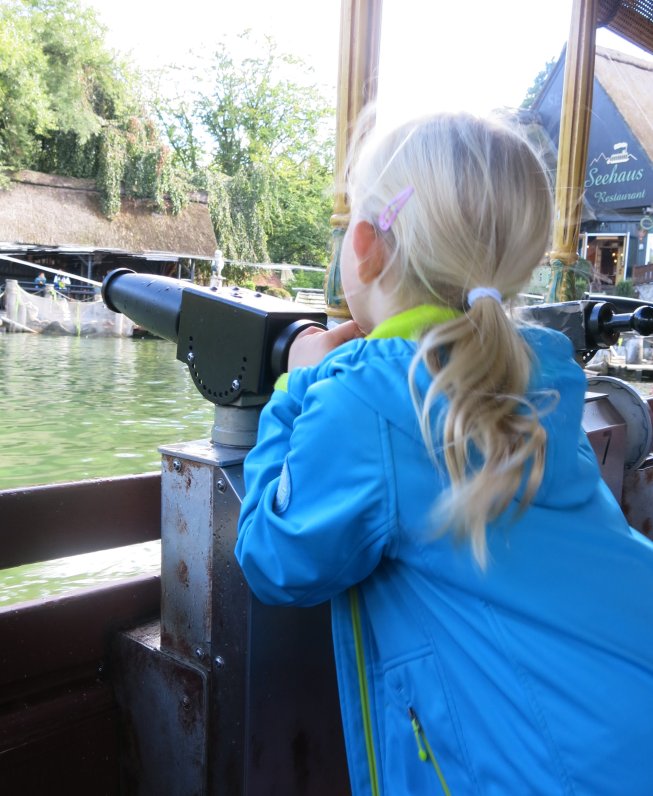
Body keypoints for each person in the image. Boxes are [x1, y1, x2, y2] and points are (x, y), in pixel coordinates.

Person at [235, 112, 653, 794]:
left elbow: (276, 559)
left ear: (365, 245)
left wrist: (300, 382)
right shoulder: (538, 378)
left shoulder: (367, 398)